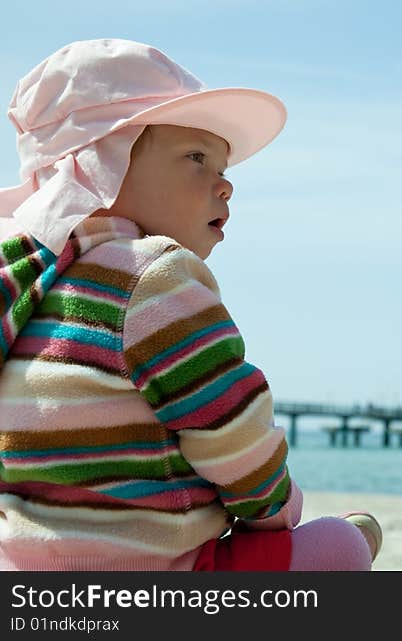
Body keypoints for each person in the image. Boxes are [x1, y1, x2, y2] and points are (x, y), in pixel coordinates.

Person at [0, 39, 381, 571]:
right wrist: (277, 510)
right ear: (100, 164)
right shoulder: (150, 276)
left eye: (224, 169)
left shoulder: (23, 287)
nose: (224, 185)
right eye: (196, 158)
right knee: (338, 547)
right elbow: (233, 434)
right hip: (158, 575)